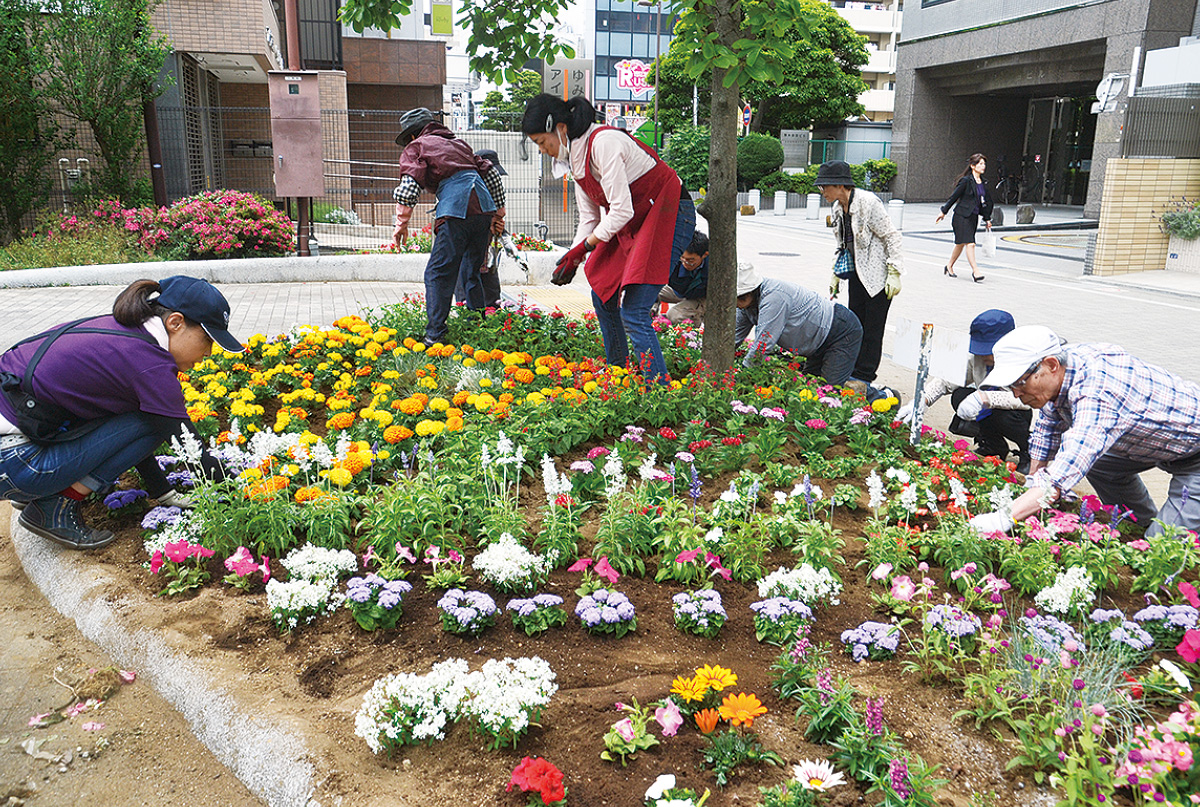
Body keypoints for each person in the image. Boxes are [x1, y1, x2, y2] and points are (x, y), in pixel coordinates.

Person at [0, 277, 241, 550]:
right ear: (175, 322)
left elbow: (132, 433)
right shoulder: (149, 363)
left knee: (151, 418)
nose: (208, 353)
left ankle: (40, 493)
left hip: (11, 453)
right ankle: (54, 505)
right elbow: (188, 445)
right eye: (206, 340)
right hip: (14, 462)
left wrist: (164, 492)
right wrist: (243, 492)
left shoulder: (123, 332)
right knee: (156, 420)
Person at [522, 93, 695, 381]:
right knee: (603, 293)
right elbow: (590, 220)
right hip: (636, 220)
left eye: (542, 142)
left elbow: (621, 209)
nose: (543, 150)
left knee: (635, 310)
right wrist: (574, 255)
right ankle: (618, 372)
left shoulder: (604, 143)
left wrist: (583, 249)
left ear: (561, 128)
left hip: (669, 212)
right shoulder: (576, 161)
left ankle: (659, 390)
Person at [969, 326, 1200, 538]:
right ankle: (1136, 527)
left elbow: (1065, 470)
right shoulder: (1063, 367)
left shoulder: (1098, 391)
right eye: (1011, 386)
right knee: (1101, 466)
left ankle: (1152, 541)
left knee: (1161, 546)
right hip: (1161, 446)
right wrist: (1032, 481)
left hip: (1195, 456)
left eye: (1020, 382)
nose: (1016, 393)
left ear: (1050, 365)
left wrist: (1002, 518)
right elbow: (1048, 427)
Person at [392, 108, 506, 346]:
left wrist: (401, 224)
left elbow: (410, 185)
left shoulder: (418, 146)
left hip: (456, 210)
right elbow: (490, 173)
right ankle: (477, 326)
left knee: (438, 273)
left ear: (413, 135)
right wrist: (498, 213)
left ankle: (435, 334)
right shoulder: (459, 144)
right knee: (471, 271)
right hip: (483, 210)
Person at [896, 309, 1032, 472]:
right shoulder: (977, 359)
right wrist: (920, 402)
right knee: (959, 396)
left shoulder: (1024, 362)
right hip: (989, 409)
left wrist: (985, 398)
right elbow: (945, 381)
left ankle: (1028, 451)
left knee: (1002, 415)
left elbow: (1026, 400)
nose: (983, 356)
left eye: (988, 350)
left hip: (1017, 413)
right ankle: (993, 446)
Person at [819, 160, 904, 389]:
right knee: (855, 324)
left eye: (825, 186)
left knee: (873, 329)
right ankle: (852, 368)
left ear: (840, 185)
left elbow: (892, 236)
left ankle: (865, 376)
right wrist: (836, 273)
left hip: (878, 277)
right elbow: (842, 243)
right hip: (857, 274)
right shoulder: (837, 207)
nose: (822, 191)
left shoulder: (868, 203)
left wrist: (894, 271)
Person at [734, 264, 862, 386]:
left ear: (751, 291)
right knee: (811, 387)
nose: (736, 304)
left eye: (740, 298)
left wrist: (744, 375)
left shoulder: (774, 297)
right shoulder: (746, 305)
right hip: (816, 343)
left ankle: (878, 397)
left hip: (840, 331)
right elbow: (734, 336)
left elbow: (764, 342)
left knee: (830, 390)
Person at [453, 148, 507, 312]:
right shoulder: (465, 190)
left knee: (492, 300)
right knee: (467, 298)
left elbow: (497, 216)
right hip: (467, 255)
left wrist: (497, 226)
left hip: (486, 259)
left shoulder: (493, 193)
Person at [935, 153, 993, 282]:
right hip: (961, 216)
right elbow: (954, 197)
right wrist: (943, 212)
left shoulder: (983, 182)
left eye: (984, 164)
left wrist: (987, 219)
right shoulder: (966, 181)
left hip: (973, 217)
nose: (983, 166)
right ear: (973, 166)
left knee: (960, 244)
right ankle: (976, 271)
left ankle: (949, 265)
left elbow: (986, 202)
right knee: (970, 244)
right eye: (980, 164)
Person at [657, 231, 709, 326]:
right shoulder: (675, 256)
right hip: (678, 290)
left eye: (691, 260)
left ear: (705, 255)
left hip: (699, 297)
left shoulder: (712, 267)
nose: (685, 263)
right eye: (683, 258)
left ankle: (691, 332)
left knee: (674, 315)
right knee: (646, 293)